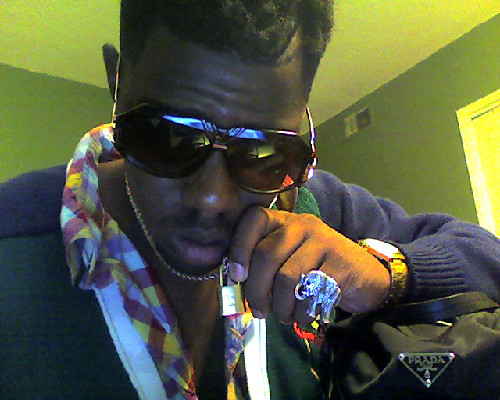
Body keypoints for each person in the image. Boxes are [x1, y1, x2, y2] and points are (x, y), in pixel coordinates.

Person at [1, 1, 500, 399]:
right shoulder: (12, 241)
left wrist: (385, 274)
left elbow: (486, 259)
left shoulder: (315, 208)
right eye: (169, 137)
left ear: (302, 121)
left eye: (261, 152)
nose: (212, 198)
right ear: (118, 82)